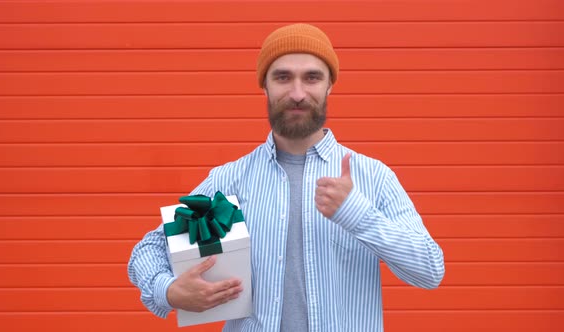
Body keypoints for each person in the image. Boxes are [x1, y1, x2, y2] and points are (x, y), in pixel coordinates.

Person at [128, 23, 445, 332]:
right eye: (282, 77)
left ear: (329, 85)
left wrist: (358, 215)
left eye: (311, 78)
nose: (297, 93)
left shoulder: (373, 177)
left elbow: (430, 270)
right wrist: (168, 291)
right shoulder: (231, 179)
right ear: (264, 85)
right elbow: (148, 249)